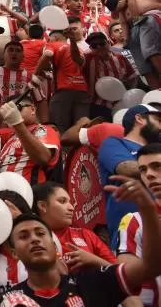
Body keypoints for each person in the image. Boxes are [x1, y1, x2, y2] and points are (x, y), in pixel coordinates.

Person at [0, 172, 161, 307]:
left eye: (40, 233)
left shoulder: (91, 283)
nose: (34, 239)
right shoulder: (9, 302)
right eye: (23, 236)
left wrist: (147, 209)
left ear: (54, 245)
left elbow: (151, 267)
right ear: (14, 253)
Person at [98, 103, 161, 243]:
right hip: (128, 234)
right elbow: (125, 168)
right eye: (158, 121)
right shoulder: (114, 143)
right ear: (140, 119)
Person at [31, 182, 115, 269]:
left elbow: (119, 271)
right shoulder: (31, 241)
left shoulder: (86, 235)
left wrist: (93, 260)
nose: (71, 207)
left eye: (70, 202)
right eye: (62, 201)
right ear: (43, 206)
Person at [117, 142, 161, 307]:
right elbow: (127, 282)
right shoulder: (133, 220)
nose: (149, 174)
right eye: (143, 169)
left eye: (157, 166)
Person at [0, 98, 60, 185]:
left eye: (17, 108)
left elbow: (44, 158)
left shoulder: (43, 129)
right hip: (3, 191)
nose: (11, 113)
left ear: (32, 109)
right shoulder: (10, 136)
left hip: (28, 189)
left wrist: (17, 123)